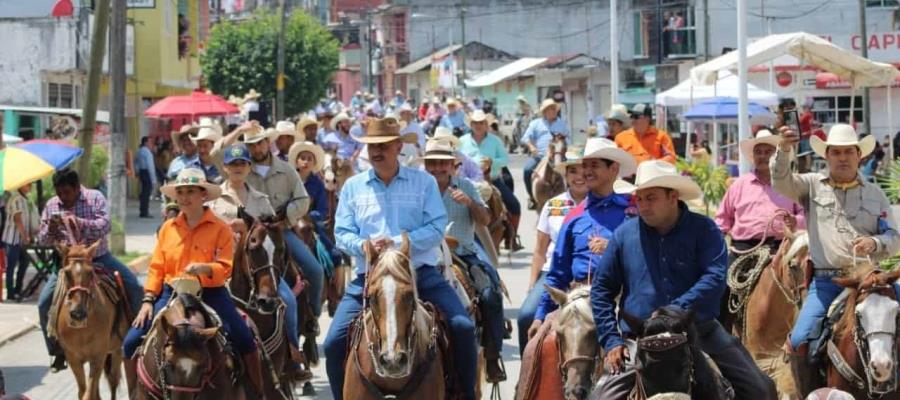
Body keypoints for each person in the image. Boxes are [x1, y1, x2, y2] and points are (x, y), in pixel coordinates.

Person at [591, 160, 777, 399]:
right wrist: (611, 339)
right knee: (601, 397)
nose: (644, 206)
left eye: (652, 198)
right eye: (640, 199)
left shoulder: (704, 230)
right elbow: (601, 290)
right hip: (639, 341)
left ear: (673, 197)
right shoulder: (623, 235)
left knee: (761, 389)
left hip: (701, 331)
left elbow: (715, 277)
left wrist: (672, 311)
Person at [324, 117, 477, 400]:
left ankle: (465, 394)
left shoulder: (424, 183)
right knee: (333, 343)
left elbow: (435, 227)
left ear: (398, 146)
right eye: (371, 146)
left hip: (419, 273)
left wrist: (395, 244)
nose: (376, 152)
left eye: (382, 145)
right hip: (369, 277)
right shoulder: (353, 187)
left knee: (462, 327)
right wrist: (364, 245)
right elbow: (341, 233)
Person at [774, 124, 900, 397]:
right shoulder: (810, 186)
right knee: (799, 340)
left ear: (859, 156)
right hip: (827, 280)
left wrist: (876, 242)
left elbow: (894, 236)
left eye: (848, 152)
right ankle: (809, 393)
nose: (842, 158)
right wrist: (784, 148)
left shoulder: (875, 194)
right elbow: (781, 180)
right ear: (827, 156)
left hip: (873, 280)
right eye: (836, 152)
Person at [122, 168, 265, 394]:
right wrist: (148, 299)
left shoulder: (220, 228)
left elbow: (226, 267)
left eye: (191, 191)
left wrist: (206, 268)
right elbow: (157, 267)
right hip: (172, 292)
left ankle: (257, 391)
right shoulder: (168, 228)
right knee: (130, 341)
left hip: (211, 292)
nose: (185, 198)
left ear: (203, 195)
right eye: (180, 192)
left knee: (244, 337)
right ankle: (133, 393)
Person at [206, 144, 305, 376]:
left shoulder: (261, 200)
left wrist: (251, 227)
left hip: (258, 266)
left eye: (242, 164)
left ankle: (292, 354)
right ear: (225, 168)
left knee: (288, 300)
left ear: (249, 167)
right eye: (233, 165)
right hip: (222, 266)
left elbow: (271, 229)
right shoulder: (213, 201)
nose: (237, 168)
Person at [37, 169, 144, 372]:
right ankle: (57, 351)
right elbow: (42, 239)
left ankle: (136, 337)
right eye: (59, 193)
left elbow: (105, 225)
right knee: (43, 303)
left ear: (77, 188)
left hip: (99, 259)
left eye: (67, 192)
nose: (63, 197)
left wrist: (80, 222)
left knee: (135, 287)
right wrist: (51, 227)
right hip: (67, 265)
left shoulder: (95, 198)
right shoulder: (52, 205)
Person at [529, 138, 637, 338]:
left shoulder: (634, 211)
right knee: (539, 352)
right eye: (585, 165)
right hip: (580, 299)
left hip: (626, 299)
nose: (587, 171)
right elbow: (558, 271)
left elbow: (649, 258)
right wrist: (540, 314)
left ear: (613, 169)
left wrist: (614, 247)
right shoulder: (573, 217)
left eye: (594, 165)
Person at [419, 139, 508, 383]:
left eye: (442, 163)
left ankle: (492, 356)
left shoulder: (466, 186)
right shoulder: (417, 188)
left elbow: (486, 219)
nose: (437, 168)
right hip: (425, 254)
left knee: (490, 293)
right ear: (425, 165)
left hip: (463, 253)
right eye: (432, 163)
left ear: (452, 165)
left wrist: (469, 203)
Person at [218, 124, 325, 320]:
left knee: (315, 270)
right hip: (250, 235)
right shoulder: (242, 168)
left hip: (281, 230)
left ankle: (312, 317)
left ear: (268, 142)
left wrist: (285, 220)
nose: (256, 149)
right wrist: (240, 128)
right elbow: (217, 151)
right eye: (251, 145)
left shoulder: (286, 170)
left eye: (260, 143)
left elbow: (303, 200)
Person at [714, 129, 806, 332]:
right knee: (722, 287)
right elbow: (722, 220)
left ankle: (807, 336)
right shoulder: (739, 185)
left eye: (768, 151)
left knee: (806, 286)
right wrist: (714, 244)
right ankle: (722, 338)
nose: (763, 156)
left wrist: (795, 221)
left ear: (778, 155)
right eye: (759, 152)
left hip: (782, 248)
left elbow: (806, 217)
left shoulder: (793, 184)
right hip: (743, 250)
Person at [516, 148, 587, 355]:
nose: (579, 177)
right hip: (553, 272)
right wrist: (532, 284)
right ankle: (527, 377)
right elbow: (539, 250)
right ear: (566, 175)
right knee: (526, 316)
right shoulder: (553, 205)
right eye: (573, 171)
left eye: (584, 172)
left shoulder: (599, 205)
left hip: (587, 273)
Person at [459, 109, 521, 244]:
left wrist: (493, 162)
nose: (478, 125)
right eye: (475, 122)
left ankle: (512, 238)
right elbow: (456, 161)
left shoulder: (495, 141)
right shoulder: (462, 141)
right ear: (471, 124)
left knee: (514, 205)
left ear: (486, 124)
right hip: (467, 183)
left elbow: (505, 159)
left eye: (481, 122)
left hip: (492, 181)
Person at [521, 99, 570, 209]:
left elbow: (568, 139)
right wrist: (532, 147)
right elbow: (525, 138)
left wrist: (566, 148)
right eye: (550, 109)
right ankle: (532, 198)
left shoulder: (562, 124)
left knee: (572, 173)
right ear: (544, 111)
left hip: (559, 156)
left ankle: (570, 199)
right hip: (540, 156)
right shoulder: (535, 123)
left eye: (554, 108)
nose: (553, 111)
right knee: (528, 170)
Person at [3, 182, 37, 301]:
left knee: (25, 262)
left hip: (21, 239)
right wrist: (25, 237)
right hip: (13, 239)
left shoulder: (26, 200)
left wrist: (30, 235)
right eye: (28, 184)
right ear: (21, 185)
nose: (30, 186)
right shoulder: (16, 198)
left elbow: (27, 220)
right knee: (11, 266)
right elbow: (18, 220)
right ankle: (11, 293)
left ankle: (18, 289)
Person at [190, 118, 225, 184]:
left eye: (205, 146)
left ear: (214, 146)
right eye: (199, 146)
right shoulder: (191, 167)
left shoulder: (224, 167)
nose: (202, 150)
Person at [135, 136, 157, 218]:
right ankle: (145, 212)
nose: (151, 144)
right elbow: (150, 166)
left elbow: (136, 163)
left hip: (141, 172)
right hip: (147, 173)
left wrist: (137, 172)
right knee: (146, 193)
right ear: (146, 143)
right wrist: (153, 179)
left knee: (143, 192)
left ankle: (142, 210)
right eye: (149, 142)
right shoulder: (147, 152)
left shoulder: (139, 151)